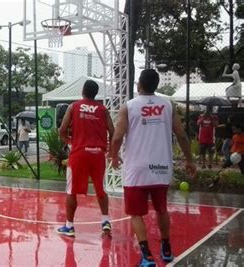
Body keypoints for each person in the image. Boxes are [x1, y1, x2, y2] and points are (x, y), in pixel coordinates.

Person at [109, 69, 196, 266]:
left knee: (136, 214)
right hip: (161, 167)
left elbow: (117, 136)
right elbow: (182, 135)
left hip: (136, 170)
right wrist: (190, 159)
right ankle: (166, 249)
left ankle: (147, 256)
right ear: (156, 85)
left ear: (139, 83)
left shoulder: (128, 107)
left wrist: (113, 156)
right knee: (161, 210)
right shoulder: (168, 105)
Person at [57, 80, 115, 237]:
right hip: (97, 154)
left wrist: (71, 142)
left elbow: (62, 130)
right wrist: (108, 149)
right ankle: (105, 221)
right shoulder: (103, 110)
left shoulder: (73, 107)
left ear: (83, 91)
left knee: (71, 191)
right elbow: (113, 131)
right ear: (96, 93)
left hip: (79, 153)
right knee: (100, 189)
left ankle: (69, 226)